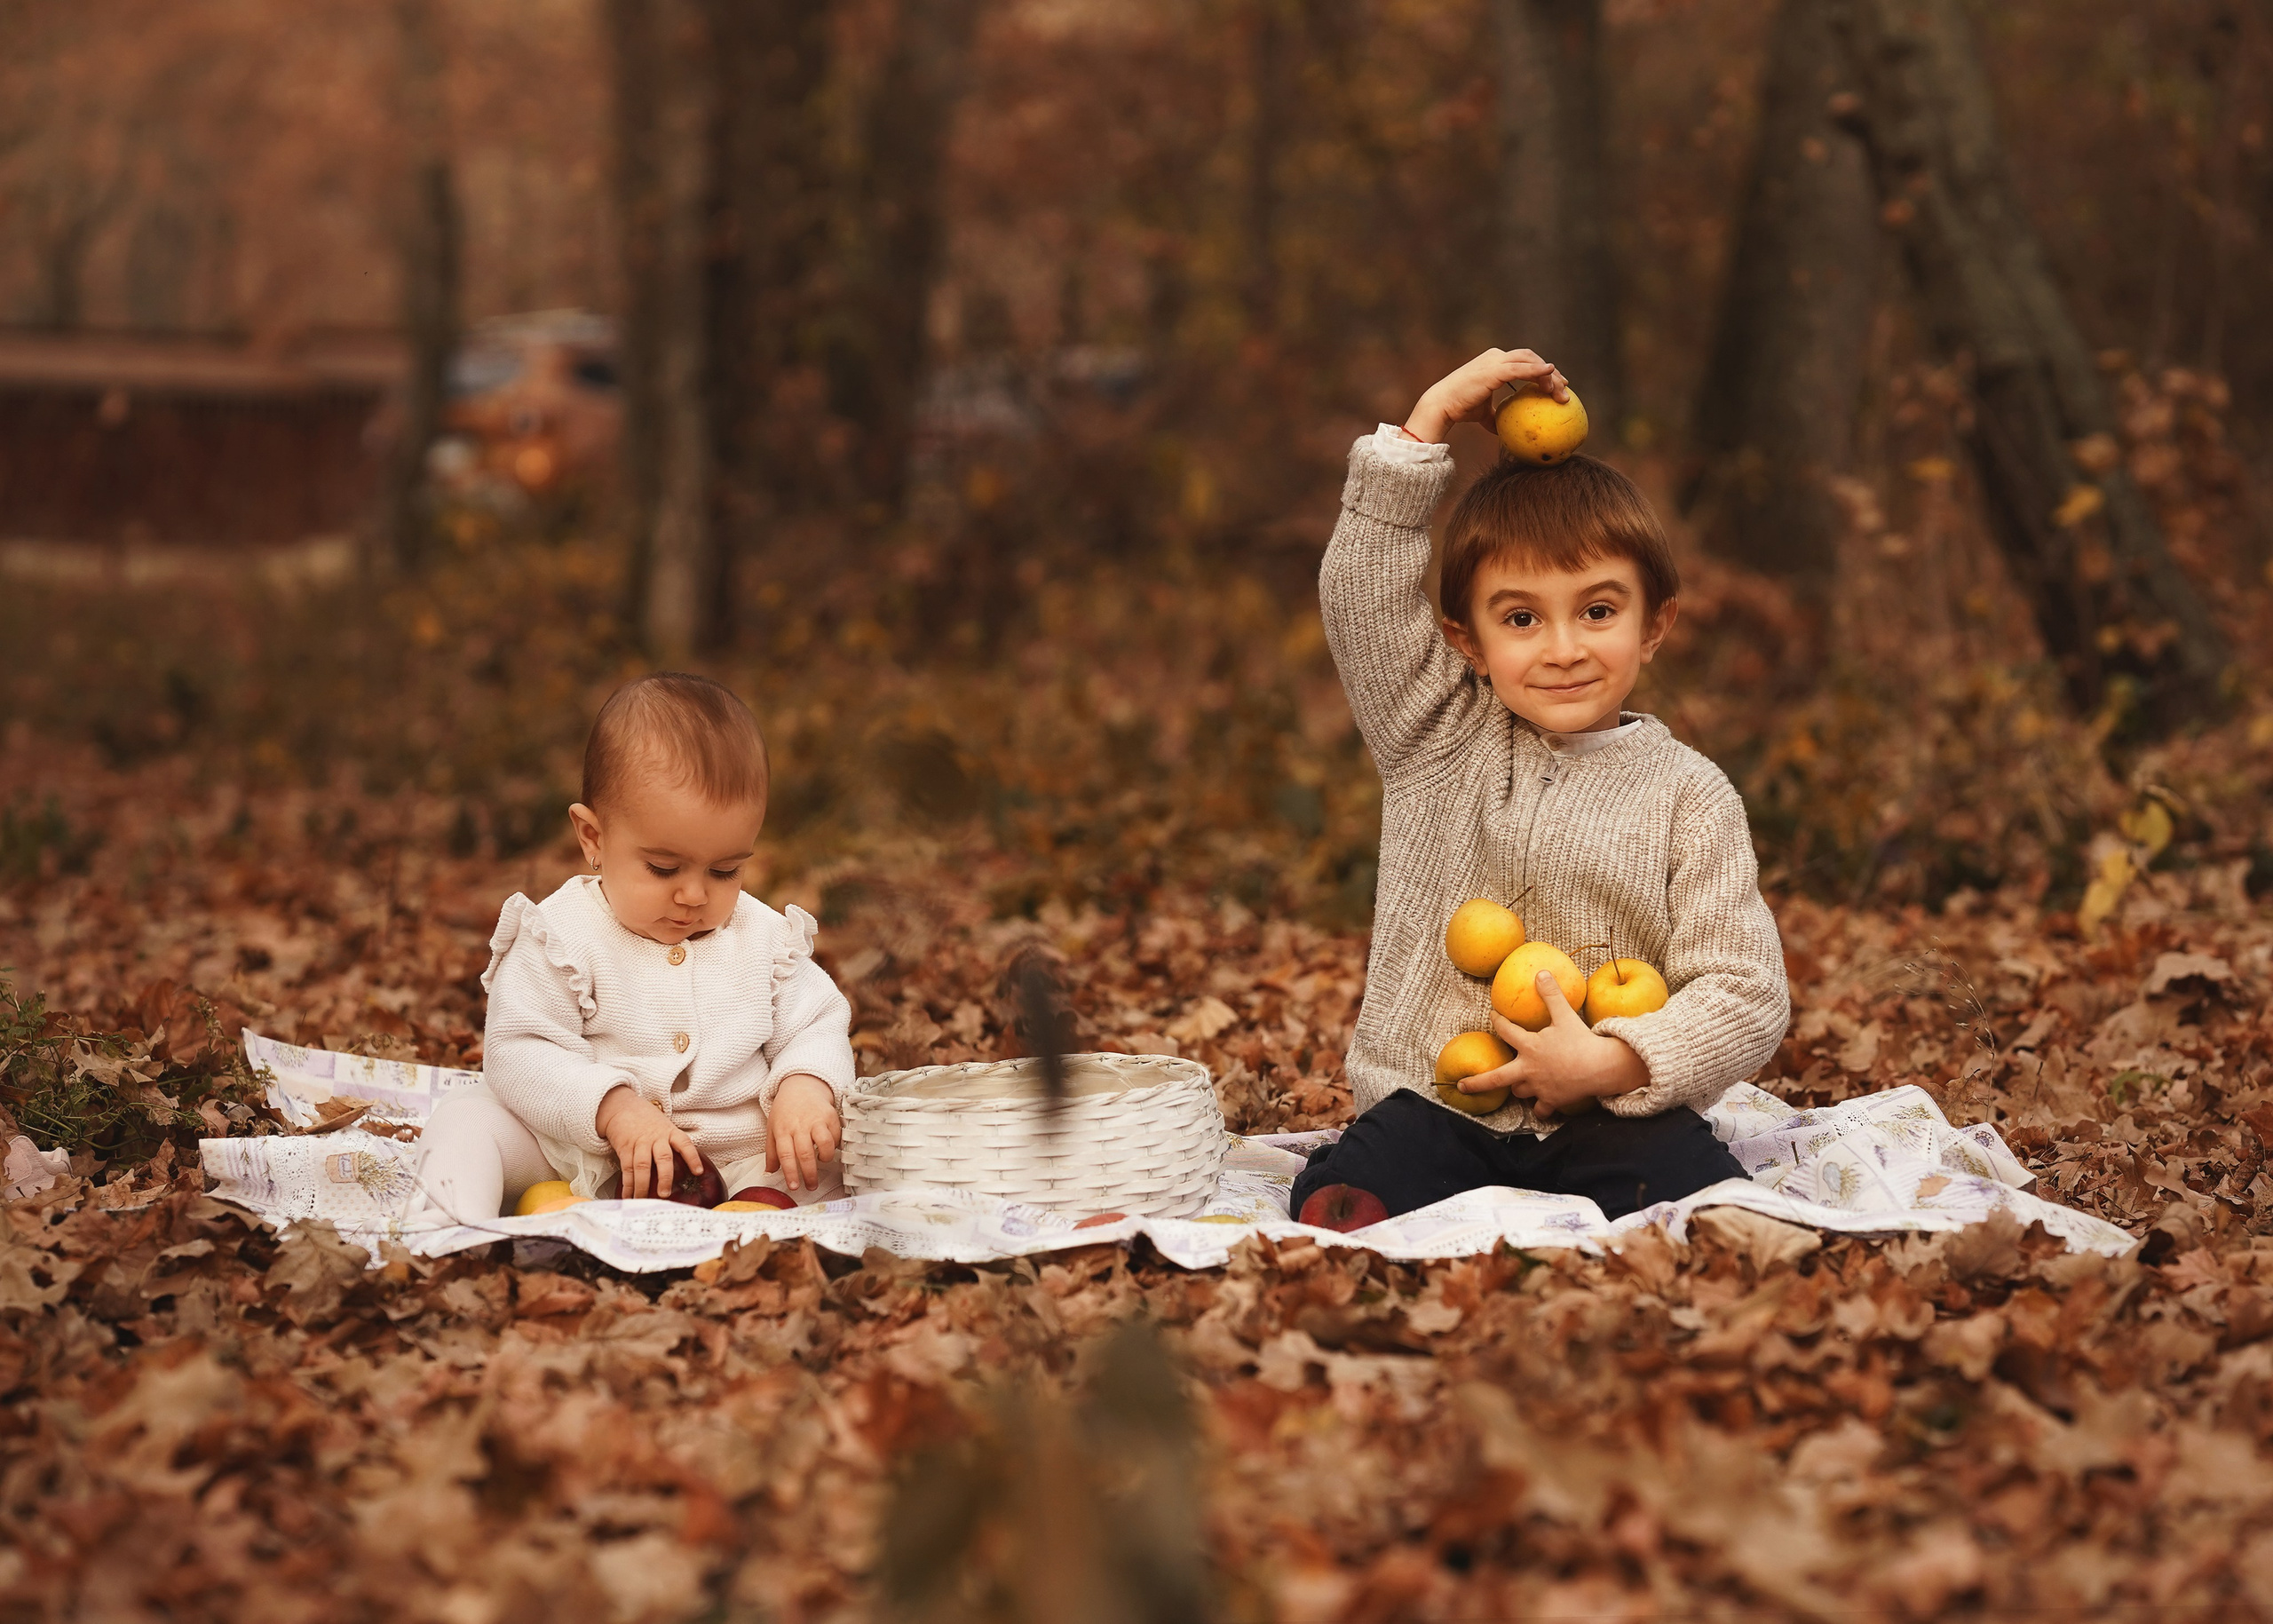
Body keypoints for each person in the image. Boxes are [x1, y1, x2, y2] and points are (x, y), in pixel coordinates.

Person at [1289, 348, 1789, 1223]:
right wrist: (1427, 422)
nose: (1562, 647)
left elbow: (1744, 988)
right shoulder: (1437, 736)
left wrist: (1613, 1062)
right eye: (1521, 618)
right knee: (1339, 1192)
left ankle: (1677, 1206)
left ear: (1653, 623)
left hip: (1608, 1112)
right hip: (1441, 1098)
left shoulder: (1691, 794)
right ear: (1468, 640)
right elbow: (1362, 599)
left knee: (1710, 1203)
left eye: (1597, 611)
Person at [414, 672, 852, 1222]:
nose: (694, 894)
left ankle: (744, 1235)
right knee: (466, 1118)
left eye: (725, 870)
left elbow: (816, 1020)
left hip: (736, 1158)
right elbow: (519, 1051)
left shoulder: (764, 939)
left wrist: (805, 1086)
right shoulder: (561, 935)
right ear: (593, 839)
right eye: (663, 868)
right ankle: (445, 1233)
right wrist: (613, 1108)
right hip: (579, 1157)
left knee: (825, 1157)